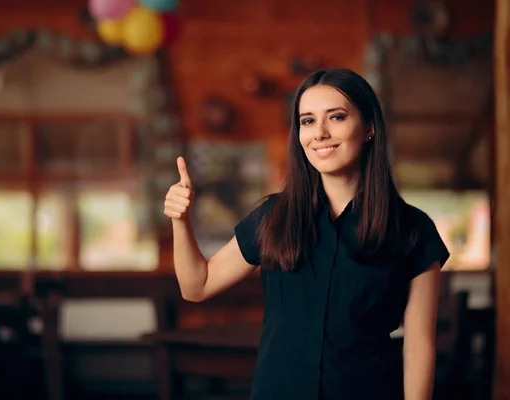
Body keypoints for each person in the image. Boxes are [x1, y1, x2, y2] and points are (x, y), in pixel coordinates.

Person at [163, 68, 449, 400]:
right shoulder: (273, 216)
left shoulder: (413, 229)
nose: (320, 133)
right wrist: (179, 221)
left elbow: (418, 346)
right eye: (308, 121)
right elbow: (196, 286)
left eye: (337, 117)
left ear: (369, 128)